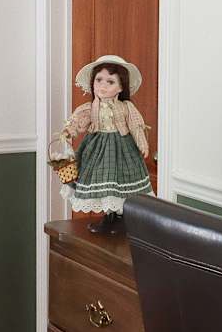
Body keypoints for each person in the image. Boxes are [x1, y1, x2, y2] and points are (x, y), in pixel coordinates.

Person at [61, 55, 153, 234]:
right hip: (96, 148)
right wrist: (68, 132)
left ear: (121, 87)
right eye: (98, 80)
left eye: (110, 82)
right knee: (101, 178)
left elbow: (135, 125)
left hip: (123, 149)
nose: (102, 86)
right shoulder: (90, 107)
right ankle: (109, 216)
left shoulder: (126, 107)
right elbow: (77, 122)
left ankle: (120, 217)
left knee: (121, 179)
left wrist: (142, 142)